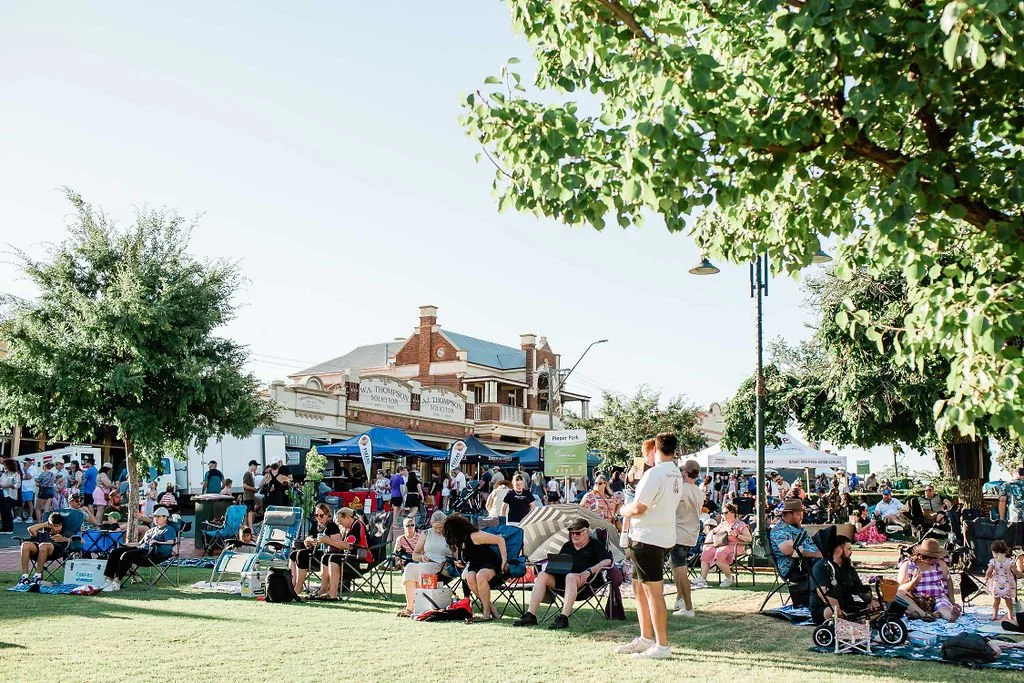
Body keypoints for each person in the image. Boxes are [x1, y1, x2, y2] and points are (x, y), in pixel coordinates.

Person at [616, 432, 684, 660]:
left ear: (655, 448)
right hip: (661, 535)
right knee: (638, 587)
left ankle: (661, 645)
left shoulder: (655, 473)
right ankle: (646, 638)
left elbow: (638, 508)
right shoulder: (676, 473)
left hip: (647, 538)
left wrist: (621, 509)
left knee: (653, 592)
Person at [513, 517, 612, 629]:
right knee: (542, 575)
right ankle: (531, 615)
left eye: (578, 533)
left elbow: (607, 561)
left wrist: (589, 571)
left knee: (571, 577)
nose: (574, 535)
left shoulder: (596, 545)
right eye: (572, 532)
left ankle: (563, 617)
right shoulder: (567, 545)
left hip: (586, 583)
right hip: (562, 582)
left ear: (587, 532)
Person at [442, 513, 508, 621]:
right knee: (470, 577)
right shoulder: (461, 541)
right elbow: (470, 556)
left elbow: (500, 540)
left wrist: (504, 559)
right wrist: (462, 563)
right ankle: (491, 608)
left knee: (480, 576)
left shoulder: (475, 535)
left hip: (489, 563)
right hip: (475, 565)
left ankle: (486, 613)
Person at [100, 507, 176, 591]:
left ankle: (116, 582)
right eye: (155, 517)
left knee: (126, 555)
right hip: (141, 550)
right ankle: (109, 580)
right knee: (115, 552)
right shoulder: (151, 530)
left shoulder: (168, 529)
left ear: (165, 517)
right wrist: (124, 545)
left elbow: (171, 542)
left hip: (153, 554)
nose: (156, 519)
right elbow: (140, 544)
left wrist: (157, 542)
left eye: (158, 517)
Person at [809, 532, 877, 625]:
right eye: (848, 549)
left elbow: (861, 591)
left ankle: (856, 623)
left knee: (880, 607)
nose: (851, 552)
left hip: (847, 606)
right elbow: (823, 594)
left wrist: (872, 600)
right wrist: (838, 608)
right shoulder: (821, 567)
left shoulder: (848, 569)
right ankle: (856, 623)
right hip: (825, 607)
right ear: (839, 550)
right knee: (834, 611)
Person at [398, 510, 451, 617]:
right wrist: (422, 557)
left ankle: (419, 605)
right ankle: (410, 606)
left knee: (421, 569)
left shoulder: (450, 534)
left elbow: (456, 555)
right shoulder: (426, 533)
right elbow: (415, 555)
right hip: (427, 563)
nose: (438, 530)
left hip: (443, 566)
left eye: (441, 527)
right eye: (435, 527)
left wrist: (449, 561)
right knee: (409, 567)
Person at [769, 499, 822, 601]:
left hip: (807, 563)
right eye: (798, 514)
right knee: (825, 565)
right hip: (795, 567)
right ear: (788, 514)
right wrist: (816, 554)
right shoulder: (780, 530)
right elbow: (789, 551)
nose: (802, 517)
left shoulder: (795, 527)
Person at [896, 537, 961, 622]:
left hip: (937, 597)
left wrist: (952, 600)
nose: (936, 559)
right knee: (898, 595)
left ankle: (950, 615)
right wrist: (913, 583)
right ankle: (925, 615)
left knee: (943, 607)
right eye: (933, 557)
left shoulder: (940, 564)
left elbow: (948, 580)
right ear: (924, 556)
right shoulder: (909, 565)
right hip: (917, 599)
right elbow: (900, 588)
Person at [669, 459, 704, 618]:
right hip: (690, 534)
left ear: (684, 472)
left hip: (679, 533)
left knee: (680, 569)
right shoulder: (698, 490)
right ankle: (680, 599)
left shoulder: (681, 490)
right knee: (675, 566)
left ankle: (688, 607)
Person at [693, 503, 752, 588]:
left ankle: (729, 577)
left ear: (732, 513)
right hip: (721, 545)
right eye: (722, 513)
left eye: (725, 513)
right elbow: (713, 532)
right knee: (707, 551)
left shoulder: (740, 524)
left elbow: (749, 539)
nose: (723, 515)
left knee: (719, 553)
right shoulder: (723, 524)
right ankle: (703, 578)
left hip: (736, 546)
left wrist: (737, 535)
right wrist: (709, 539)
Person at [288, 503, 340, 597]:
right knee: (293, 554)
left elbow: (337, 546)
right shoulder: (315, 525)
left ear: (328, 515)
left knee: (302, 554)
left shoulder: (332, 526)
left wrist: (325, 541)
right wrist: (308, 541)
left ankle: (298, 587)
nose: (318, 518)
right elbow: (309, 541)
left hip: (326, 556)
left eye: (321, 515)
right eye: (316, 515)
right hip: (314, 553)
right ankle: (292, 585)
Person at [18, 512, 69, 585]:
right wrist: (45, 524)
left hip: (56, 550)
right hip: (40, 550)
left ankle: (37, 576)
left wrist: (65, 539)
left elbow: (82, 540)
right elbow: (31, 529)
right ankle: (24, 577)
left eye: (60, 525)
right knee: (25, 545)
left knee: (43, 545)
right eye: (55, 526)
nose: (58, 528)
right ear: (50, 525)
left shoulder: (64, 533)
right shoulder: (44, 534)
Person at [984, 540, 1021, 623]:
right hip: (1008, 583)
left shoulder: (993, 561)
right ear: (1005, 552)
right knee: (1009, 602)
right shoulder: (1010, 561)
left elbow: (989, 571)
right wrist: (1021, 574)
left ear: (995, 552)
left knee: (996, 601)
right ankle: (1010, 616)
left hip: (997, 583)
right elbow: (1015, 572)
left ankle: (995, 615)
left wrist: (987, 576)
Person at [998, 467, 1024, 549]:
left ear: (1015, 474)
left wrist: (1002, 519)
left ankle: (1017, 562)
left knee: (1016, 547)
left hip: (1014, 519)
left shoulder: (1006, 485)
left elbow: (1002, 502)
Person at [1, 459, 23, 534]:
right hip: (3, 494)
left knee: (7, 511)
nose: (4, 466)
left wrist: (10, 485)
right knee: (3, 511)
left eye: (5, 464)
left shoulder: (16, 474)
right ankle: (4, 528)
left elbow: (17, 485)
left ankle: (9, 528)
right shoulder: (4, 473)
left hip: (11, 495)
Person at [17, 457, 37, 523]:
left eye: (25, 462)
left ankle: (30, 517)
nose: (24, 464)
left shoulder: (33, 468)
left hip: (29, 488)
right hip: (22, 488)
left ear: (30, 462)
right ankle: (18, 517)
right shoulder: (23, 468)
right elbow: (22, 478)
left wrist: (25, 471)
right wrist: (25, 472)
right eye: (23, 463)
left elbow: (28, 477)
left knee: (29, 502)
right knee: (21, 502)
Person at [241, 460, 258, 527]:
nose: (256, 468)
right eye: (256, 466)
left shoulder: (250, 474)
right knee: (250, 512)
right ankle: (250, 528)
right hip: (248, 497)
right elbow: (244, 485)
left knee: (248, 513)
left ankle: (247, 527)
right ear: (252, 465)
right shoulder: (247, 474)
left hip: (250, 496)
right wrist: (253, 489)